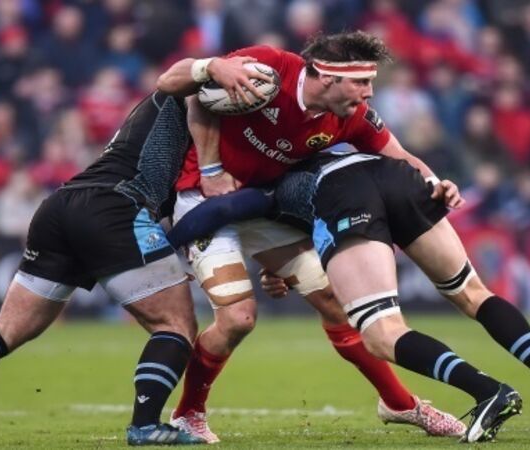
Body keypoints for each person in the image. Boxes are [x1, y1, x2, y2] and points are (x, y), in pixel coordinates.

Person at [0, 83, 260, 446]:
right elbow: (185, 79)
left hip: (61, 205)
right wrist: (218, 72)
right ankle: (145, 425)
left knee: (6, 328)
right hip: (114, 206)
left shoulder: (164, 124)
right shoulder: (183, 94)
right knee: (174, 325)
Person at [156, 31, 467, 442]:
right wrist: (211, 69)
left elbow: (402, 157)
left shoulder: (351, 116)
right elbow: (178, 86)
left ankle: (399, 403)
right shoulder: (269, 67)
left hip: (260, 207)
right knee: (238, 319)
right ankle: (188, 413)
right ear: (328, 77)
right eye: (361, 82)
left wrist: (435, 183)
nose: (369, 93)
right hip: (203, 200)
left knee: (334, 301)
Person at [171, 147, 530, 442]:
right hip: (395, 175)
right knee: (472, 293)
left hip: (347, 195)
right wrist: (433, 179)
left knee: (381, 331)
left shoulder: (272, 182)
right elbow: (389, 145)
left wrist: (164, 248)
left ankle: (486, 390)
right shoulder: (333, 132)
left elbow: (223, 209)